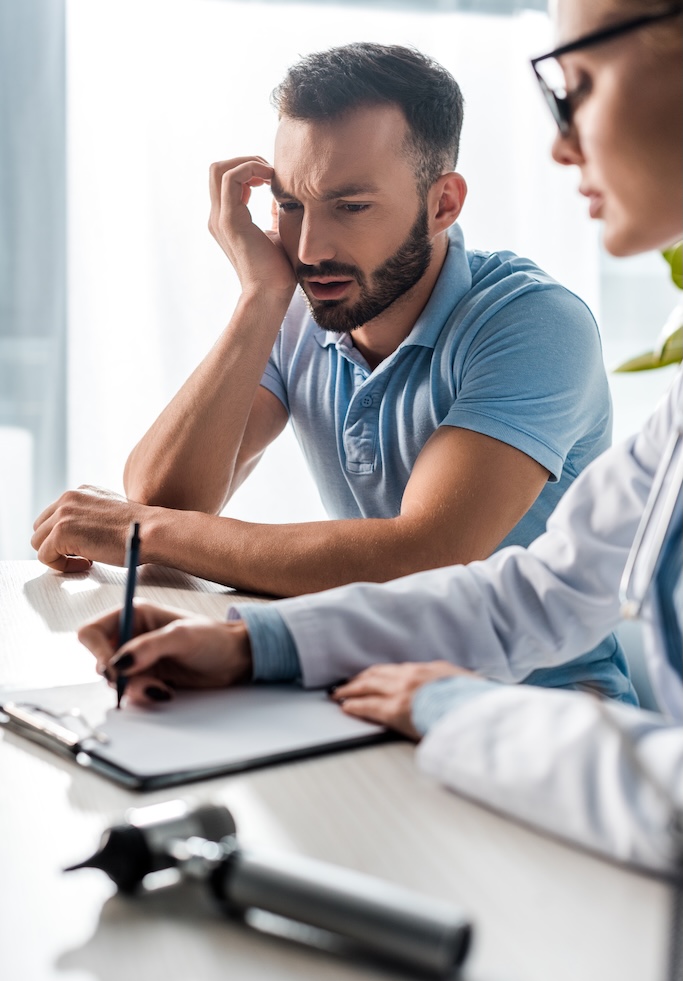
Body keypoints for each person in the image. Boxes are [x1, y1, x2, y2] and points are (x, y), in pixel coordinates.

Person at [80, 0, 682, 879]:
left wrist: (451, 708)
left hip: (539, 732)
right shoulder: (305, 309)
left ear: (441, 204)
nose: (561, 145)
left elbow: (430, 556)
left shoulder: (531, 321)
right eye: (289, 205)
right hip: (435, 713)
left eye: (577, 87)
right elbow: (537, 593)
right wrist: (254, 645)